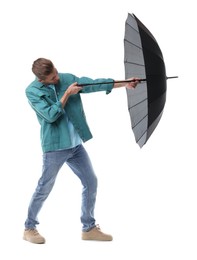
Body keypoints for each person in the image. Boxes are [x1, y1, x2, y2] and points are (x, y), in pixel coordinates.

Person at [23, 58, 139, 244]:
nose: (57, 77)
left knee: (91, 181)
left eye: (56, 72)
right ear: (41, 80)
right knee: (45, 186)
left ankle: (89, 228)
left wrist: (125, 83)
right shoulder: (32, 91)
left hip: (75, 145)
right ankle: (29, 227)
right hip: (55, 147)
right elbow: (51, 116)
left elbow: (94, 84)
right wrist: (67, 94)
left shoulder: (67, 78)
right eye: (52, 78)